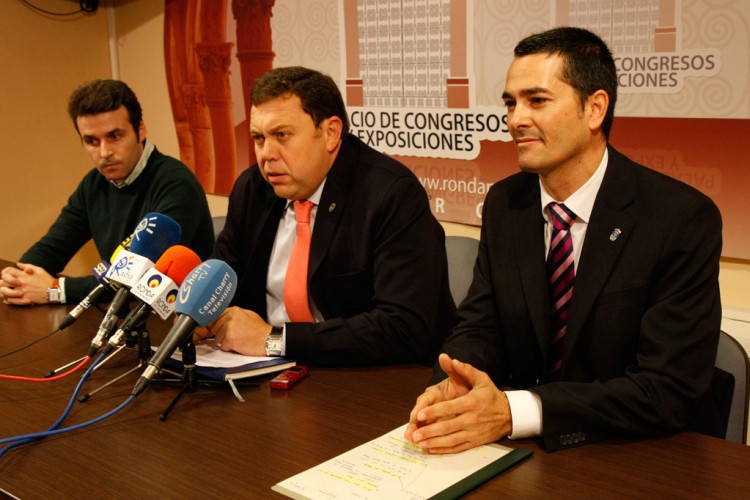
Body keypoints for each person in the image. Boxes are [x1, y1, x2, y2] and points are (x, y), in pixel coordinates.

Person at [405, 27, 723, 452]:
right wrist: (454, 384)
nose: (515, 119)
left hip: (633, 456)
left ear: (594, 110)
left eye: (536, 100)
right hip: (519, 455)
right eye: (510, 103)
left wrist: (517, 411)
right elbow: (481, 323)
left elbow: (667, 390)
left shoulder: (679, 218)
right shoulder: (506, 202)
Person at [207, 66, 455, 366]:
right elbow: (221, 279)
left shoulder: (391, 195)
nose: (266, 154)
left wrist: (276, 340)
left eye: (281, 135)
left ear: (331, 133)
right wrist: (202, 315)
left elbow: (401, 328)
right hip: (266, 372)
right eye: (259, 138)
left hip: (372, 380)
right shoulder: (253, 190)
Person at [0, 79, 215, 307]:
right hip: (118, 315)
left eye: (114, 136)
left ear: (140, 130)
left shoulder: (176, 183)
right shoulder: (94, 184)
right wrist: (17, 278)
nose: (104, 152)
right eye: (92, 141)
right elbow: (53, 247)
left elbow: (142, 278)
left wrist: (56, 289)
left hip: (175, 318)